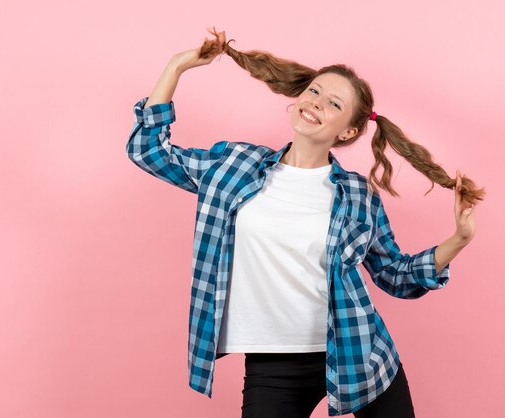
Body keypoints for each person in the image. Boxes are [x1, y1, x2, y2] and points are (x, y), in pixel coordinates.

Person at [126, 27, 484, 418]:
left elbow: (395, 275)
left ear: (348, 131)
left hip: (358, 351)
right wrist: (176, 67)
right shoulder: (234, 166)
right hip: (273, 365)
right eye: (314, 91)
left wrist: (459, 239)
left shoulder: (357, 196)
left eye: (333, 104)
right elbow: (149, 151)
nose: (315, 103)